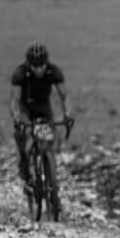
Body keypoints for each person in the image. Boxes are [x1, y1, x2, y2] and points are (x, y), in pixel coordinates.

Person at [10, 43, 72, 185]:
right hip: (26, 107)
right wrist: (16, 116)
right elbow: (15, 99)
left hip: (43, 106)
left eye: (41, 66)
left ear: (46, 63)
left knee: (49, 138)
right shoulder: (20, 73)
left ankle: (49, 170)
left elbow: (65, 96)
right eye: (34, 67)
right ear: (29, 64)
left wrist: (68, 113)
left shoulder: (54, 71)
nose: (38, 70)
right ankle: (25, 164)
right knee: (26, 135)